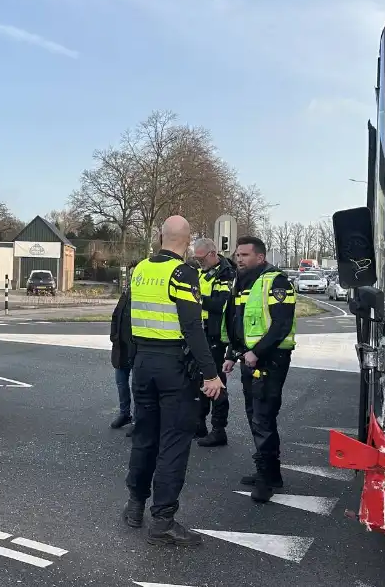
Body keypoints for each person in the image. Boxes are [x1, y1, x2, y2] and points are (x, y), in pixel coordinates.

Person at [123, 215, 224, 546]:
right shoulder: (184, 273)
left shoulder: (140, 270)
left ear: (161, 236)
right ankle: (163, 520)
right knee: (173, 444)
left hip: (143, 364)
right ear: (187, 239)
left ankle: (135, 505)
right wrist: (211, 374)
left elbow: (127, 318)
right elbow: (193, 327)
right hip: (173, 366)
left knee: (144, 437)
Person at [222, 236, 297, 503]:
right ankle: (270, 473)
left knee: (262, 418)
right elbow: (238, 321)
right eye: (237, 255)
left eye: (244, 255)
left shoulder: (276, 281)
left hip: (270, 358)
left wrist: (256, 352)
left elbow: (281, 324)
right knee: (256, 415)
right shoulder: (243, 281)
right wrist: (233, 353)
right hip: (250, 358)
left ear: (260, 257)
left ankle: (266, 481)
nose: (238, 259)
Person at [191, 237, 236, 447]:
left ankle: (219, 429)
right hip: (200, 331)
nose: (199, 263)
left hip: (216, 334)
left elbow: (220, 303)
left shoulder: (226, 273)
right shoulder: (203, 271)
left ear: (212, 253)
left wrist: (196, 298)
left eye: (201, 259)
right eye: (196, 260)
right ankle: (199, 424)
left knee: (216, 380)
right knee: (198, 380)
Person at [109, 284, 136, 433]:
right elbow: (116, 315)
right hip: (121, 347)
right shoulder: (126, 294)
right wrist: (114, 336)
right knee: (121, 383)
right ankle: (124, 413)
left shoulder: (142, 296)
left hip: (136, 348)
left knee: (138, 386)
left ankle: (138, 420)